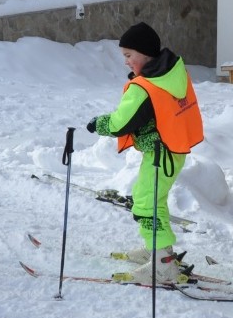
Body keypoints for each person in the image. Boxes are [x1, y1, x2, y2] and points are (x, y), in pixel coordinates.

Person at [87, 22, 204, 284]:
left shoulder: (145, 87)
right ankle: (159, 251)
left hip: (161, 153)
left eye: (129, 55)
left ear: (146, 54)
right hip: (171, 149)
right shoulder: (172, 74)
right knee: (153, 200)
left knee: (144, 204)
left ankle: (163, 265)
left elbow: (120, 123)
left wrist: (98, 124)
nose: (126, 62)